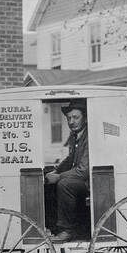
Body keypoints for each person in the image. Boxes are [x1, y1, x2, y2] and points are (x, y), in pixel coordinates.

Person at [45, 100, 89, 243]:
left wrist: (58, 177)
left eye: (76, 117)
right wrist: (55, 171)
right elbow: (70, 159)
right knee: (47, 184)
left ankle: (68, 230)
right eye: (69, 118)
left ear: (85, 118)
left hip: (90, 182)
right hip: (79, 180)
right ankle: (54, 228)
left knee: (64, 184)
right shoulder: (75, 135)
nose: (71, 121)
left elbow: (83, 170)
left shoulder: (89, 137)